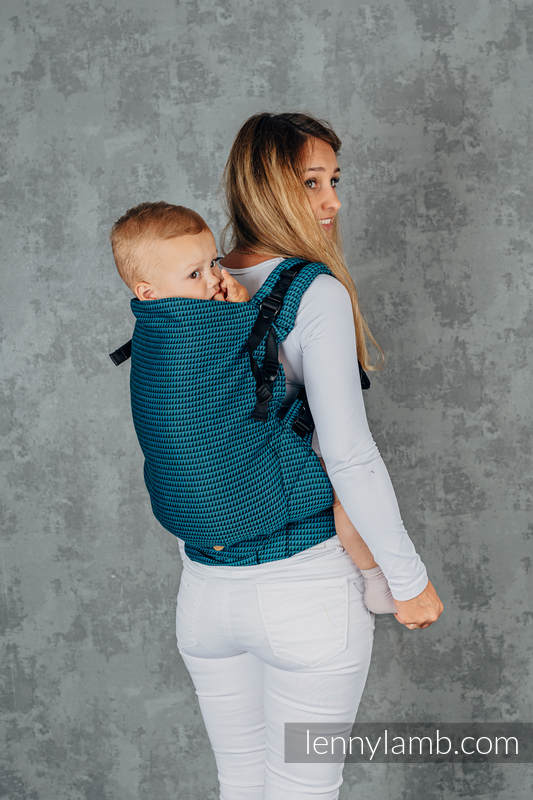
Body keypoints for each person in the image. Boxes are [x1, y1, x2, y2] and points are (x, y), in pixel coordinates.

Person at [171, 112, 444, 799]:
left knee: (239, 787)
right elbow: (348, 456)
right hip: (304, 593)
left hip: (204, 591)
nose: (333, 201)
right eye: (312, 182)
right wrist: (406, 579)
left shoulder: (189, 283)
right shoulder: (312, 291)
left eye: (334, 181)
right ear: (267, 188)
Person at [110, 201, 398, 614]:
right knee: (347, 480)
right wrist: (245, 311)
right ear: (148, 292)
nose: (214, 279)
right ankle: (377, 580)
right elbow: (263, 372)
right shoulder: (213, 323)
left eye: (213, 262)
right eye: (194, 274)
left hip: (182, 514)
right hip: (244, 506)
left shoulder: (149, 335)